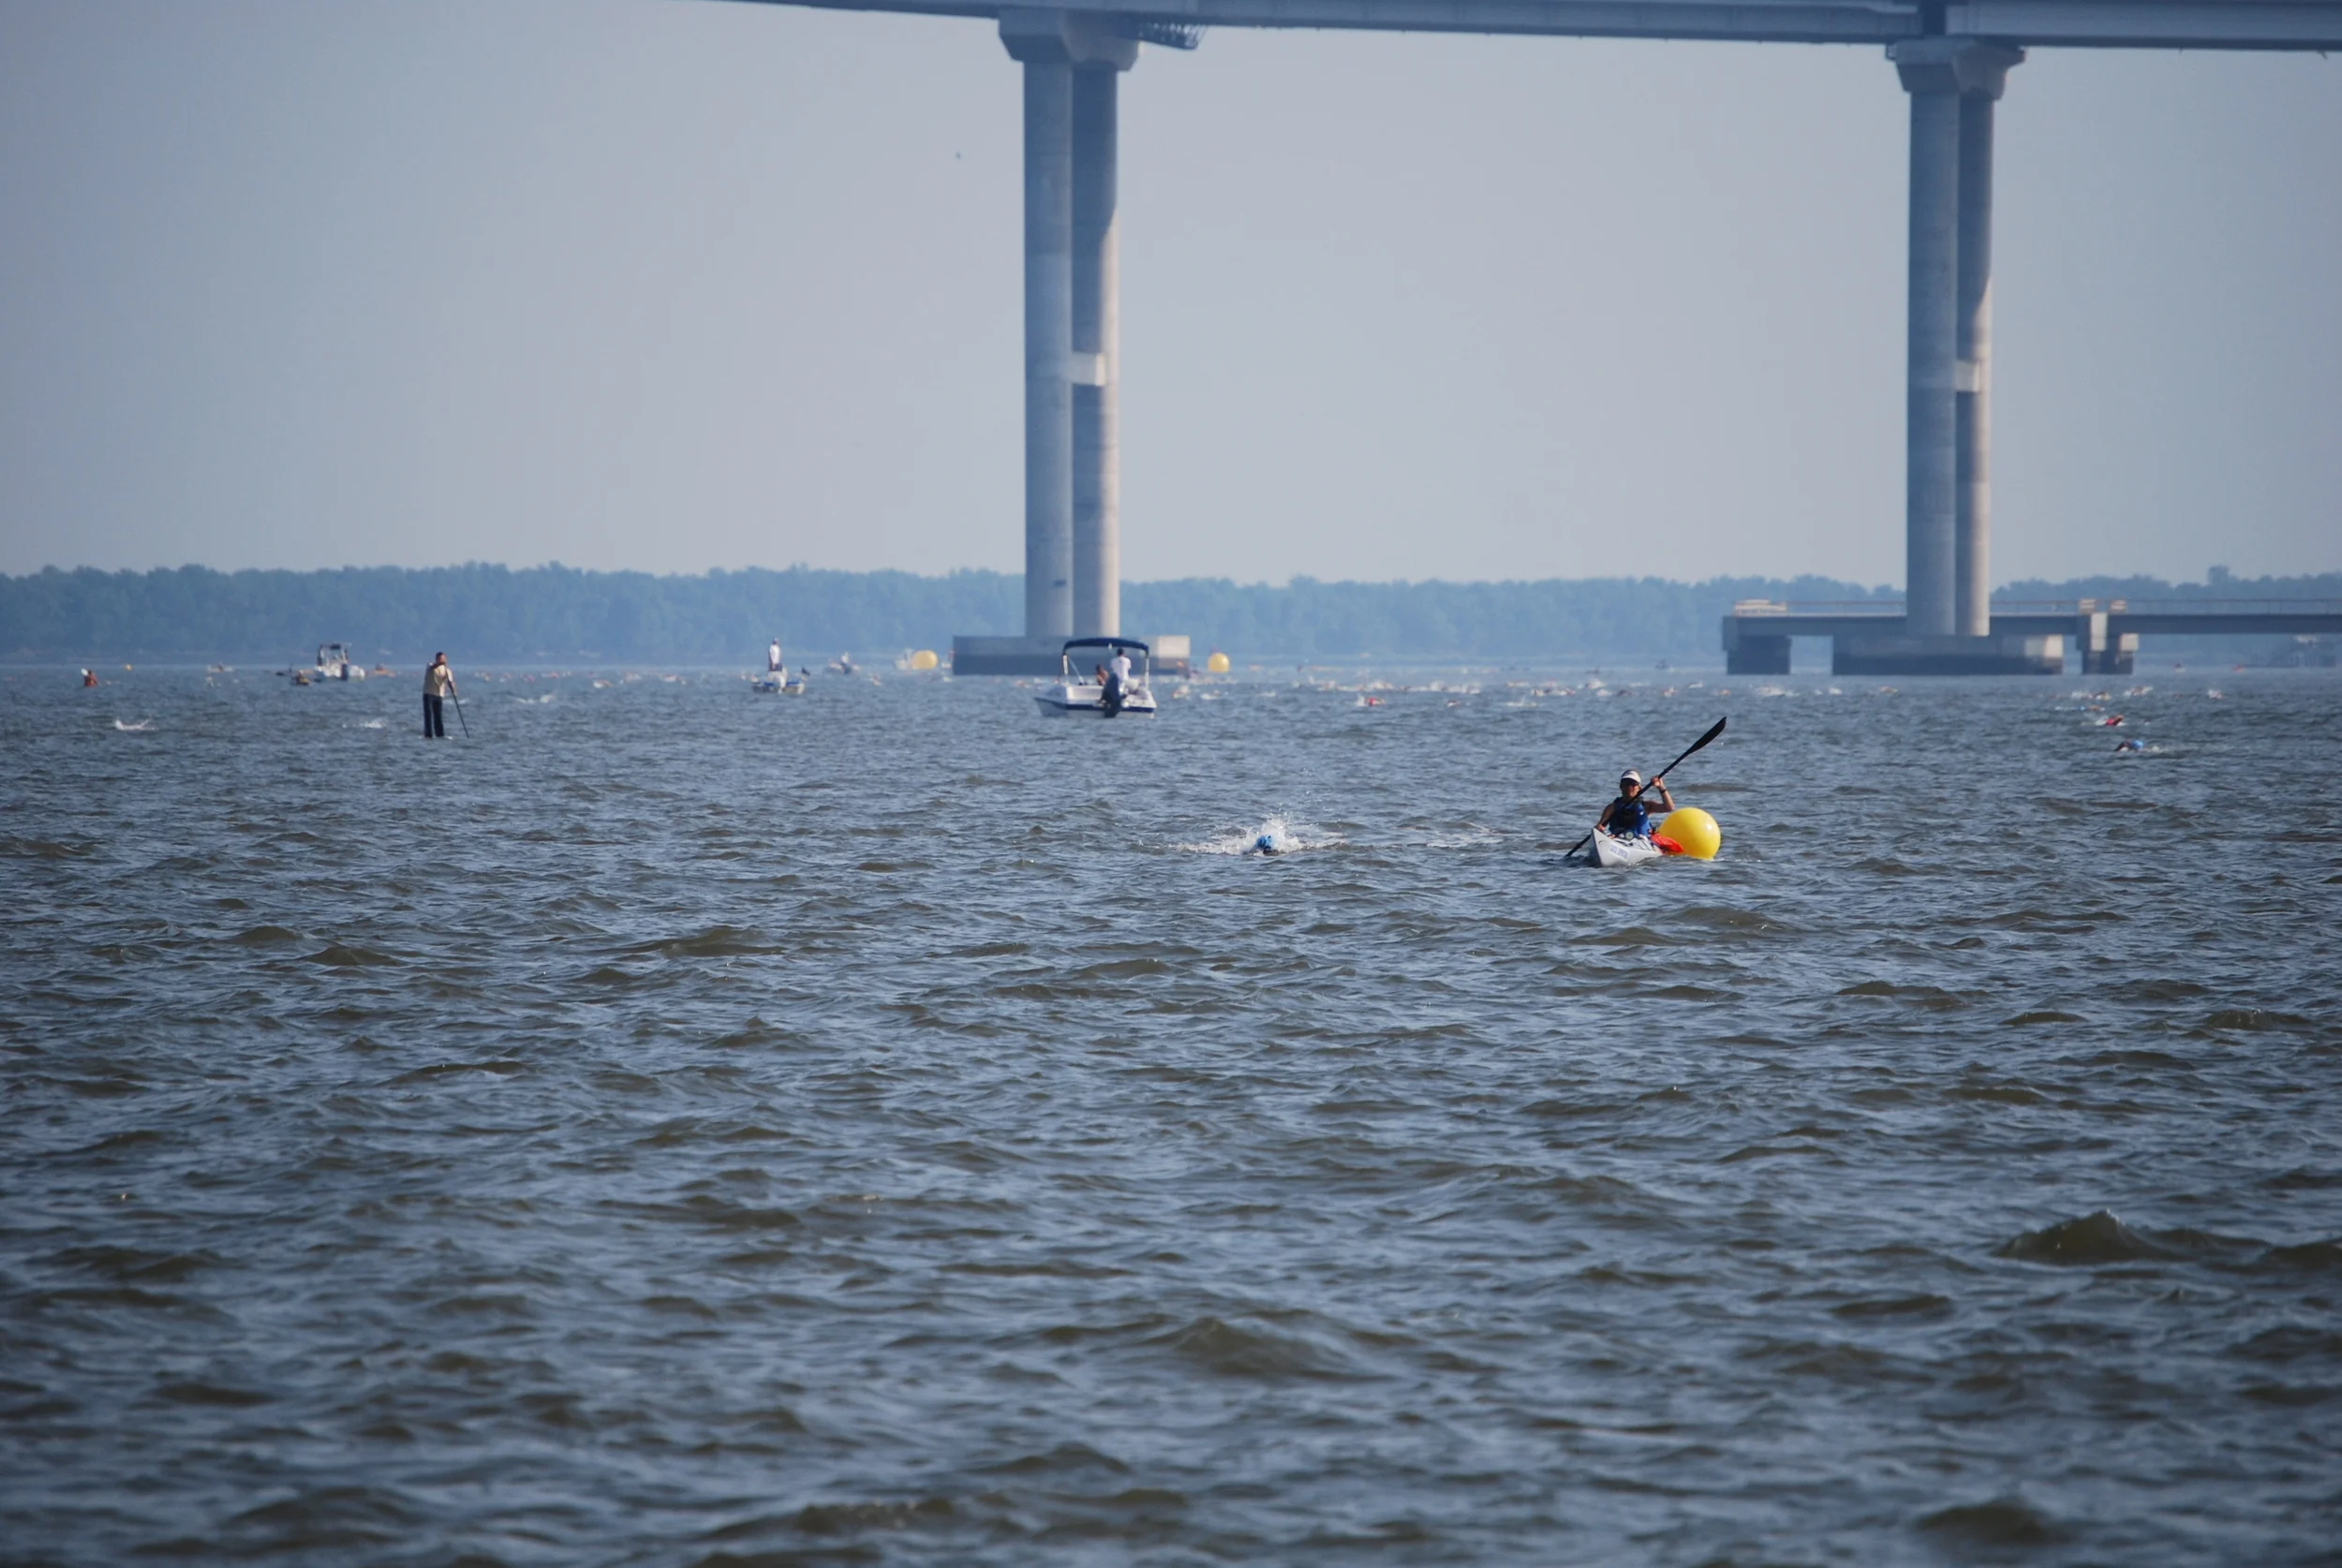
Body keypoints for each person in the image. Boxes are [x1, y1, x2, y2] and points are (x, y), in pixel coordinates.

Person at [1597, 768, 1673, 839]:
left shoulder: (1647, 806)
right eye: (1626, 783)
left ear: (1639, 788)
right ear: (1621, 786)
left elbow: (1669, 807)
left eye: (1633, 783)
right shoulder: (1611, 808)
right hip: (1618, 841)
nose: (1630, 786)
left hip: (1642, 843)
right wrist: (1599, 829)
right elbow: (1600, 827)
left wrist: (1661, 787)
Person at [422, 652, 456, 739]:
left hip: (439, 695)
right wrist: (439, 664)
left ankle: (440, 735)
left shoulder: (447, 671)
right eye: (439, 659)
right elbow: (433, 666)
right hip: (428, 693)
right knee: (428, 715)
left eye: (442, 659)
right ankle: (428, 735)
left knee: (438, 716)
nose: (440, 660)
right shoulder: (430, 666)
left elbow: (450, 682)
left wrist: (453, 689)